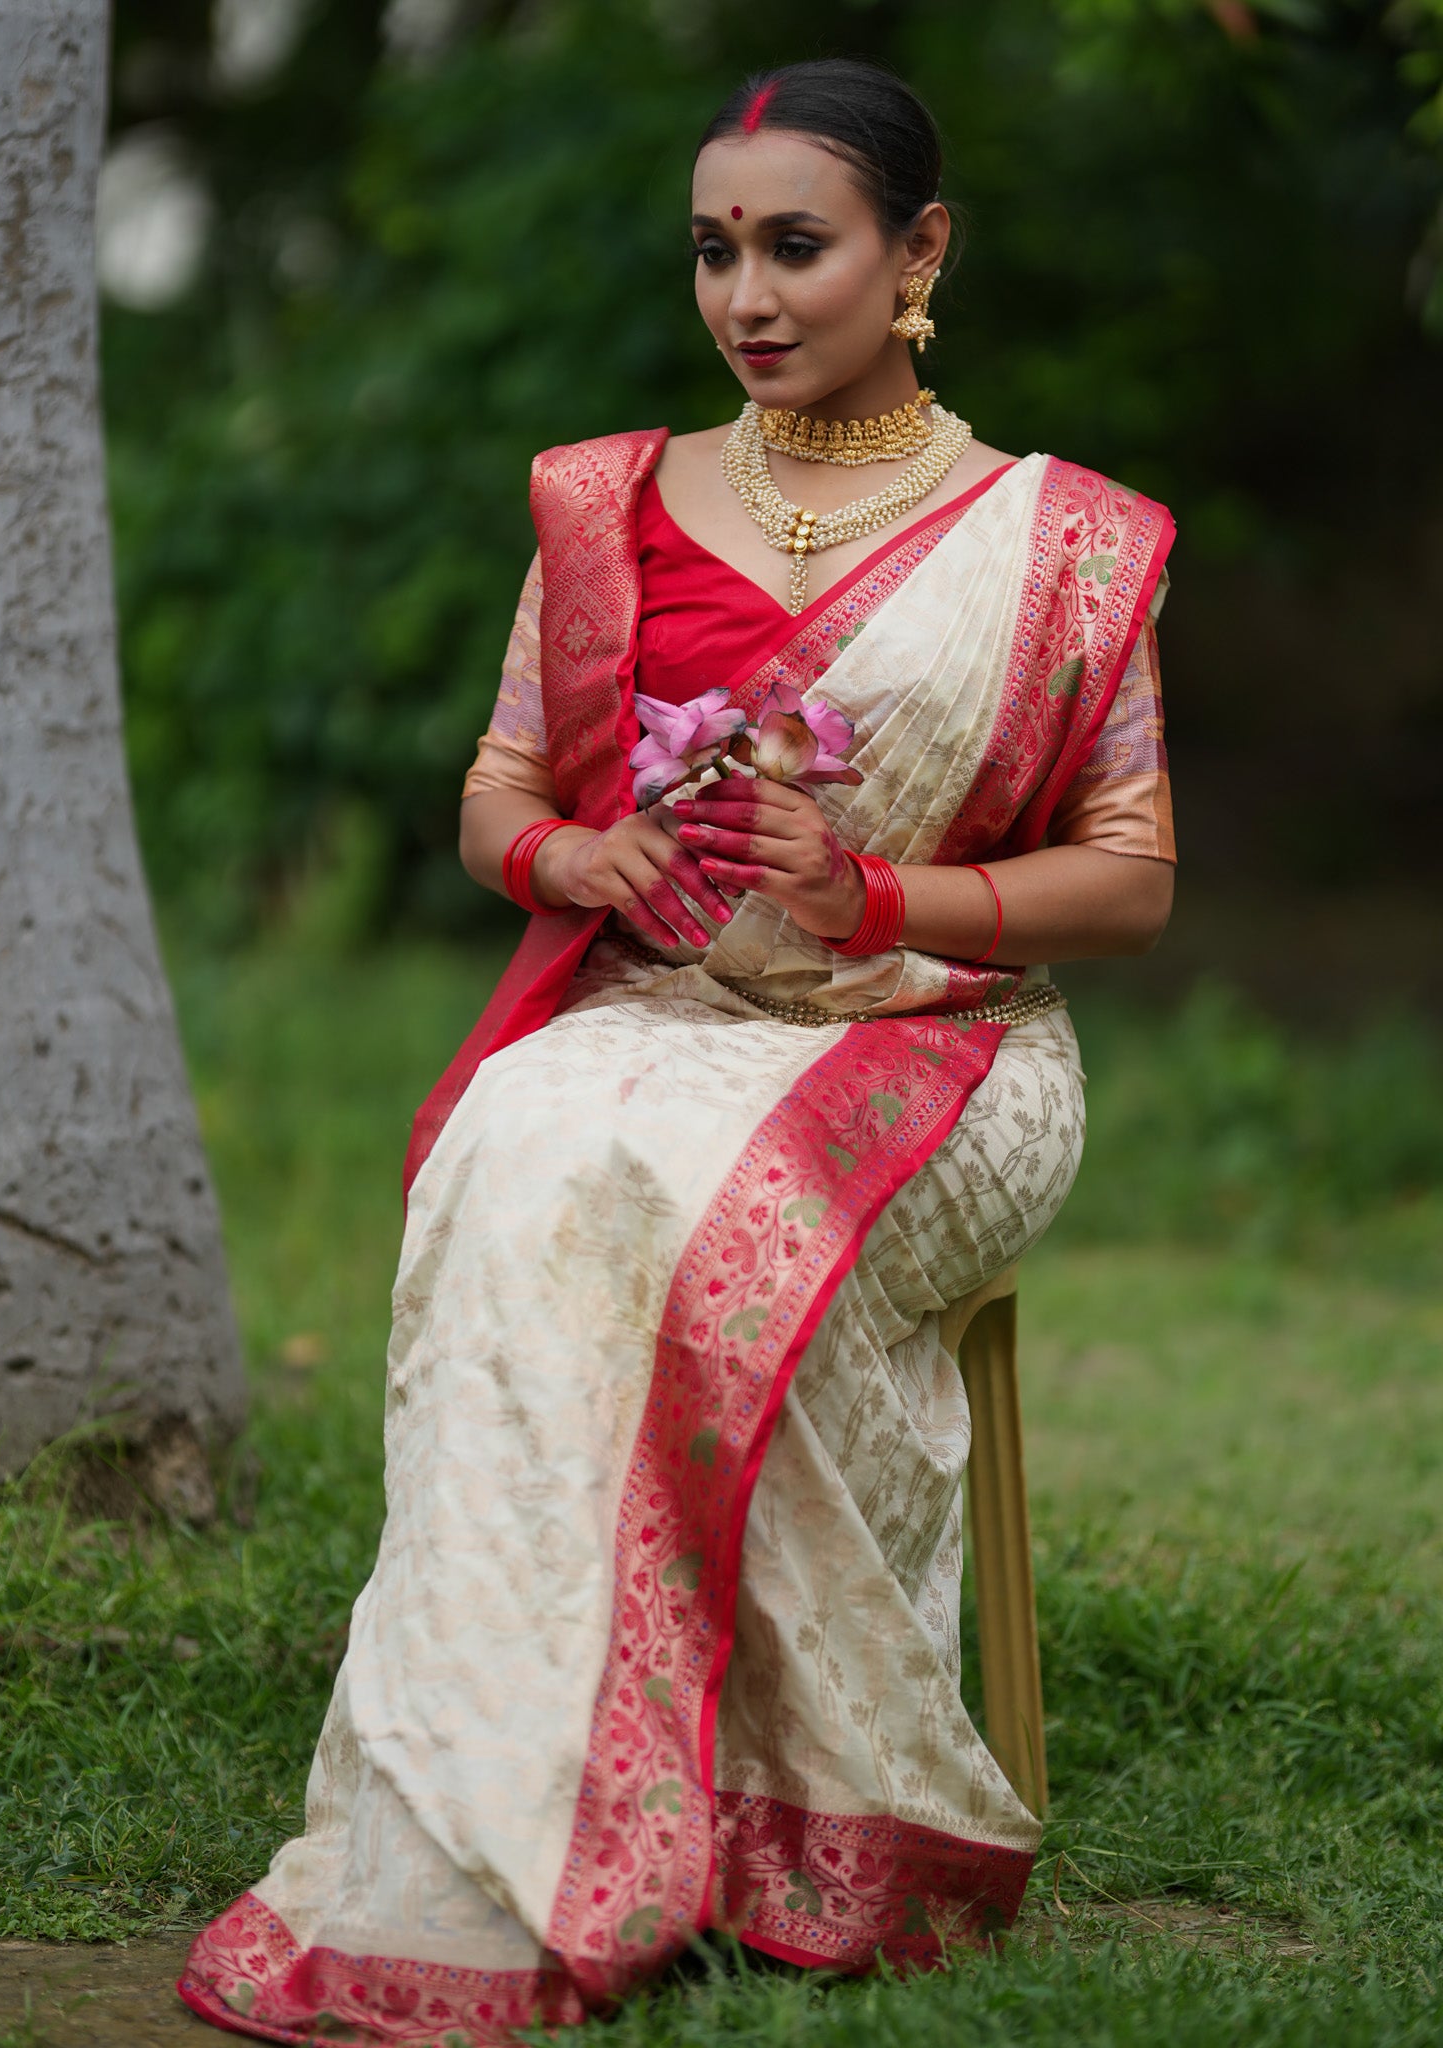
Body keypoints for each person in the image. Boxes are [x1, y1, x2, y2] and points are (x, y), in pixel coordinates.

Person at [181, 57, 1175, 2048]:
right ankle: (513, 1826)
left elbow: (1130, 882)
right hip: (647, 1014)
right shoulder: (605, 501)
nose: (746, 291)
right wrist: (576, 848)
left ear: (920, 256)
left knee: (652, 1181)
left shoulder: (1054, 543)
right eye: (717, 248)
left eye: (794, 245)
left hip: (941, 1043)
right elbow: (497, 794)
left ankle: (791, 1819)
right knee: (518, 1149)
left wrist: (884, 898)